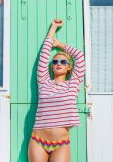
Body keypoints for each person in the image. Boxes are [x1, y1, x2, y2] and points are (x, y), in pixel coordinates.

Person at [28, 19, 85, 162]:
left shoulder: (73, 83)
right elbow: (44, 54)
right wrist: (53, 28)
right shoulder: (44, 82)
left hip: (61, 143)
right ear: (52, 66)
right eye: (55, 62)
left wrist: (59, 45)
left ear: (69, 67)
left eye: (63, 62)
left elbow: (79, 56)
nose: (58, 64)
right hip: (38, 140)